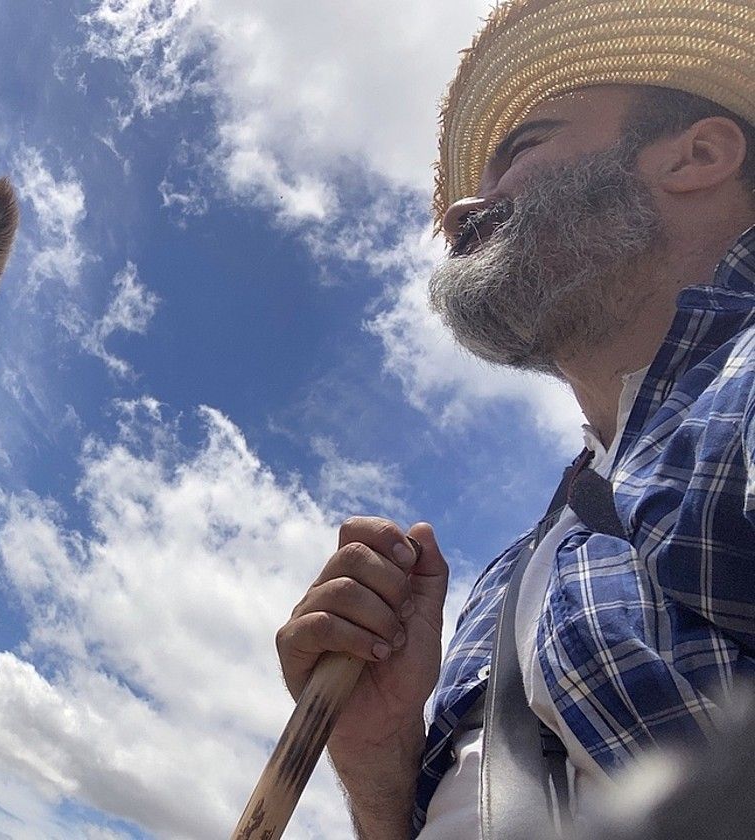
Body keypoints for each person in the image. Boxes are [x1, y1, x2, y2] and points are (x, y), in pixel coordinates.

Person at [274, 1, 755, 838]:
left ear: (699, 155)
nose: (463, 210)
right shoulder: (509, 573)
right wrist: (380, 758)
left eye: (522, 149)